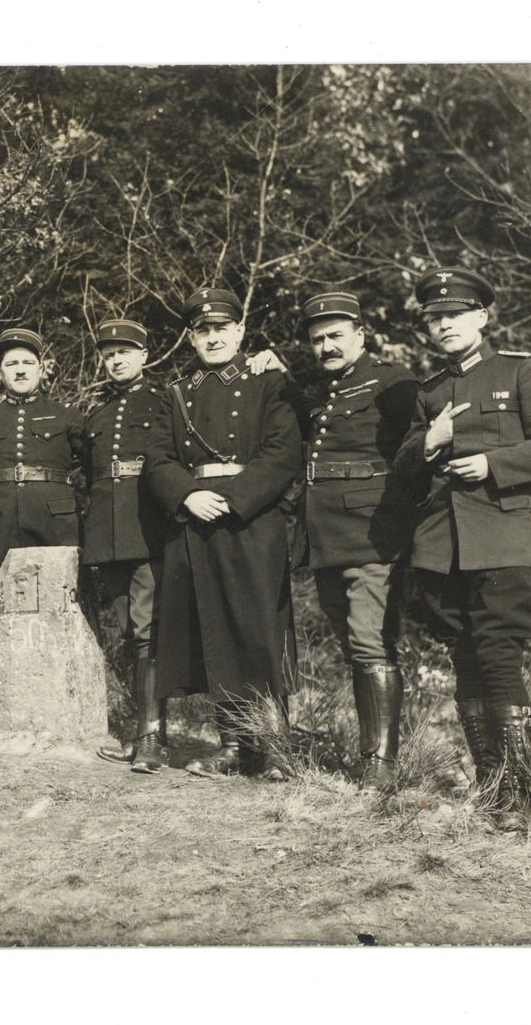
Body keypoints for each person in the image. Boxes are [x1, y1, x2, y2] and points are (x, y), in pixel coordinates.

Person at [396, 266, 531, 831]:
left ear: (482, 316)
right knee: (464, 659)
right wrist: (431, 441)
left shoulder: (520, 373)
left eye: (455, 314)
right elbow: (403, 472)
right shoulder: (428, 392)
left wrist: (493, 463)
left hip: (502, 537)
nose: (445, 324)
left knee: (498, 655)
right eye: (435, 317)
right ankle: (490, 787)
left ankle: (518, 798)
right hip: (443, 546)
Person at [248, 292, 420, 792]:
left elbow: (416, 446)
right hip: (325, 534)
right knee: (353, 646)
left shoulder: (394, 382)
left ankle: (381, 764)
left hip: (373, 531)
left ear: (360, 335)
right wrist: (278, 373)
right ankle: (373, 753)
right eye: (317, 338)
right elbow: (305, 423)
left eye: (335, 335)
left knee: (371, 642)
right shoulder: (325, 391)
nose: (326, 346)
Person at [144, 287, 304, 780]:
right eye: (202, 330)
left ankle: (275, 747)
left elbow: (283, 451)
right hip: (196, 518)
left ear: (240, 331)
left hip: (251, 519)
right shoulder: (178, 392)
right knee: (212, 631)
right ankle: (234, 745)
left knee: (258, 629)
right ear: (191, 338)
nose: (212, 338)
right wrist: (188, 495)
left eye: (221, 329)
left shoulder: (267, 383)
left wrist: (235, 499)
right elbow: (158, 457)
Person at [81, 319, 170, 774]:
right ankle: (143, 735)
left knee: (149, 632)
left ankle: (152, 739)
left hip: (146, 525)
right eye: (109, 354)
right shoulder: (95, 413)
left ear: (144, 355)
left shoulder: (163, 401)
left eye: (125, 352)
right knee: (131, 633)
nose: (116, 360)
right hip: (106, 530)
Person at [0, 328, 85, 608]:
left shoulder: (66, 415)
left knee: (61, 608)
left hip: (55, 526)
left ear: (41, 368)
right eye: (12, 364)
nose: (20, 371)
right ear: (0, 372)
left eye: (27, 363)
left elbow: (91, 470)